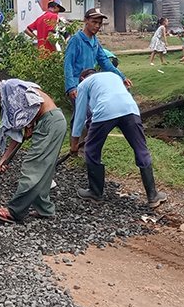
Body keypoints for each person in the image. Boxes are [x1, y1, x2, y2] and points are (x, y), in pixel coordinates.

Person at [0, 71, 67, 223]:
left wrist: (29, 125)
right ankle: (45, 210)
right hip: (48, 123)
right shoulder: (7, 100)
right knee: (43, 169)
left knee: (33, 167)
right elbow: (17, 134)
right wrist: (4, 159)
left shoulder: (11, 87)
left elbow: (36, 101)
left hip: (50, 122)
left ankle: (14, 211)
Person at [70, 69, 168, 207]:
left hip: (105, 110)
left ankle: (95, 193)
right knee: (141, 149)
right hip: (130, 109)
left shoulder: (83, 84)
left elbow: (80, 117)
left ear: (82, 78)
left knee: (91, 150)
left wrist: (74, 144)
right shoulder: (113, 76)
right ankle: (153, 195)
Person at [64, 8, 132, 132]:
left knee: (85, 116)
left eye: (99, 23)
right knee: (85, 117)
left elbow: (105, 62)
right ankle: (81, 146)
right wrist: (71, 87)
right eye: (94, 22)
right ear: (86, 21)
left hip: (90, 84)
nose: (97, 26)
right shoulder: (76, 40)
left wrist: (121, 77)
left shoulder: (95, 41)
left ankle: (80, 145)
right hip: (77, 85)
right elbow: (68, 64)